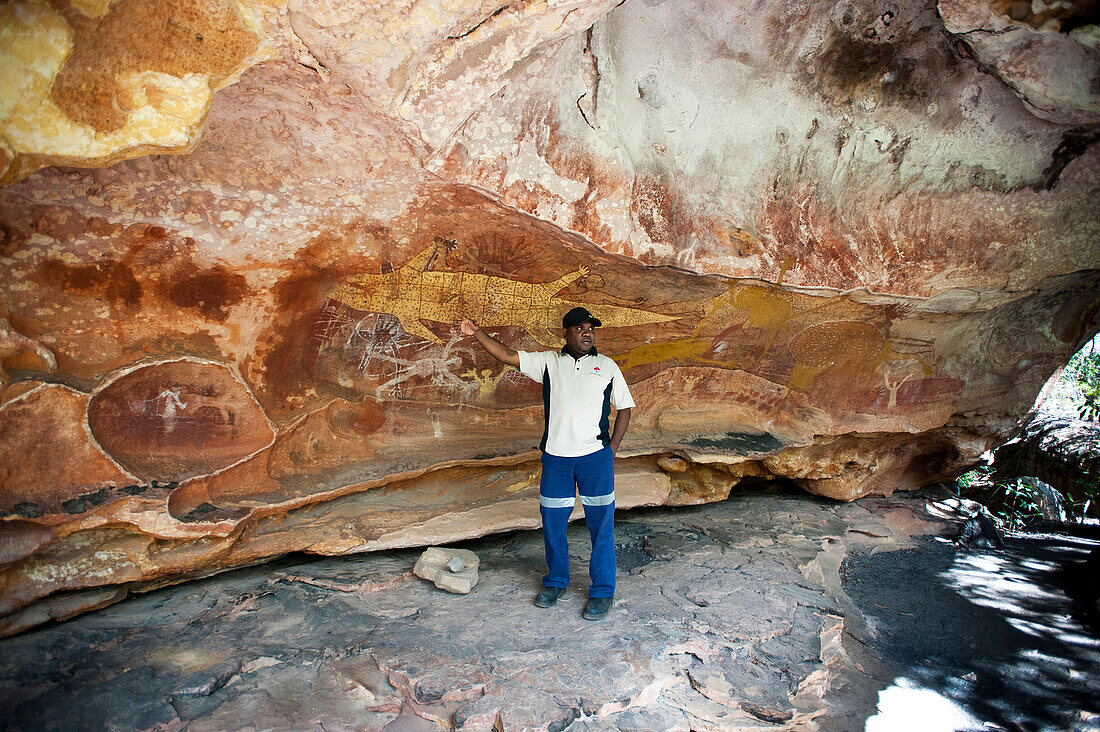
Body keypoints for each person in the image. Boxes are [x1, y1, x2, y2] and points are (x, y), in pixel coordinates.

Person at [458, 306, 634, 620]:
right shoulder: (549, 363)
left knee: (602, 527)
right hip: (557, 460)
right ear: (565, 332)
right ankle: (555, 582)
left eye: (590, 328)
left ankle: (603, 591)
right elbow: (508, 356)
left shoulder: (607, 366)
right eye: (579, 328)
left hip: (596, 459)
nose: (587, 333)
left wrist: (612, 451)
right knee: (553, 526)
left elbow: (625, 408)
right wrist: (477, 333)